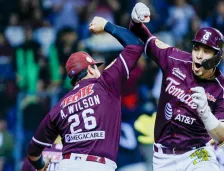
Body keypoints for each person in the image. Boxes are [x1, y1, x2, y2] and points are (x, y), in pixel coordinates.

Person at [129, 2, 224, 171]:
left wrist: (206, 114)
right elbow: (144, 36)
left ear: (217, 57)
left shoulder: (223, 92)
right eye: (196, 48)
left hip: (196, 154)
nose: (199, 56)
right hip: (162, 158)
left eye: (207, 51)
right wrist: (136, 19)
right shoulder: (174, 60)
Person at [27, 16, 144, 171]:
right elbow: (135, 45)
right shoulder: (105, 83)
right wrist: (106, 26)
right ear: (90, 69)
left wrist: (42, 165)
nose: (98, 70)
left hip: (66, 165)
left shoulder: (59, 106)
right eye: (95, 67)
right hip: (97, 165)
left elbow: (33, 152)